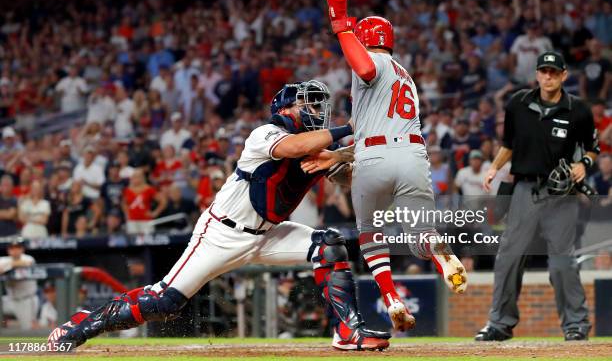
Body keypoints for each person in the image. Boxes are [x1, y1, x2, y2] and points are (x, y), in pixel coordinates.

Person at [49, 81, 390, 351]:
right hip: (221, 233)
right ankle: (80, 325)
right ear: (285, 109)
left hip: (268, 234)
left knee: (328, 244)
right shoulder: (266, 134)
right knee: (164, 301)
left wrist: (347, 158)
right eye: (308, 104)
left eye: (317, 105)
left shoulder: (318, 149)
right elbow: (293, 149)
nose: (316, 110)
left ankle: (348, 332)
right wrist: (350, 129)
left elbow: (345, 178)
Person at [301, 0, 468, 333]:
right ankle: (441, 256)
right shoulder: (404, 77)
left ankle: (391, 297)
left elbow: (363, 67)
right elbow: (376, 132)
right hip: (411, 155)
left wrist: (342, 27)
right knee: (422, 234)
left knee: (370, 234)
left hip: (374, 161)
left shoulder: (372, 63)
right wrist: (339, 156)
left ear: (366, 40)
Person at [475, 51, 599, 342]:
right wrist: (494, 168)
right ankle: (499, 324)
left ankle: (576, 324)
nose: (548, 76)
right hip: (524, 189)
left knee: (562, 262)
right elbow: (509, 144)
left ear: (564, 75)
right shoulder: (518, 103)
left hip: (561, 195)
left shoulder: (578, 109)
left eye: (554, 72)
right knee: (508, 257)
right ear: (537, 74)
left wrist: (584, 164)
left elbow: (593, 148)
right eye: (544, 71)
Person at [0, 237, 39, 330]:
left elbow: (26, 263)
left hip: (26, 301)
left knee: (27, 330)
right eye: (12, 248)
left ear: (22, 249)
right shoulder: (3, 260)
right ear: (8, 250)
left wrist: (9, 266)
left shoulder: (29, 258)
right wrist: (11, 265)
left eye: (18, 247)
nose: (15, 250)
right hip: (9, 300)